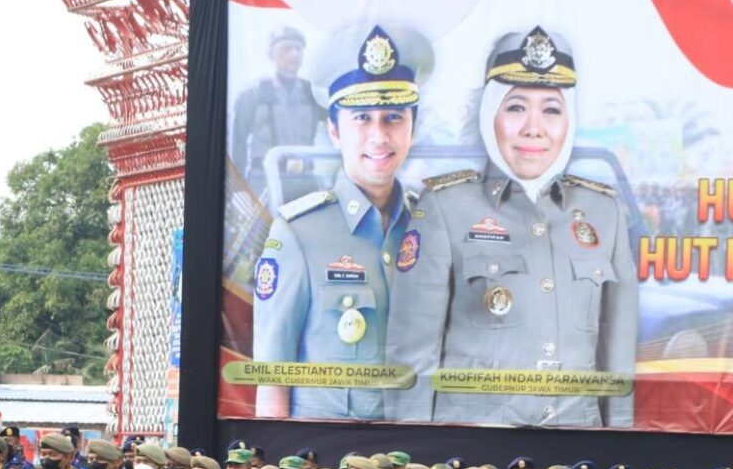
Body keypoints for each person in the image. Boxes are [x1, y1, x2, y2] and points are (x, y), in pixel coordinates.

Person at [385, 25, 638, 427]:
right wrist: (415, 465)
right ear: (491, 114)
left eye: (551, 109)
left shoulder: (604, 212)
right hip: (472, 465)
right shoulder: (445, 207)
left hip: (578, 463)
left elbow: (618, 364)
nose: (533, 127)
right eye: (516, 107)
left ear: (569, 119)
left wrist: (619, 460)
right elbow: (412, 360)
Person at [253, 24, 426, 421]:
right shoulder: (298, 233)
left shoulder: (434, 224)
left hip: (424, 467)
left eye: (394, 118)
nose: (379, 136)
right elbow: (274, 379)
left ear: (413, 128)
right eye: (362, 118)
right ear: (334, 130)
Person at [230, 26, 326, 204]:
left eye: (298, 49)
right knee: (264, 230)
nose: (294, 54)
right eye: (286, 48)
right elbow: (238, 140)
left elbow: (338, 124)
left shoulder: (312, 93)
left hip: (304, 181)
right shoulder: (253, 93)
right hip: (264, 181)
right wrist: (238, 189)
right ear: (271, 54)